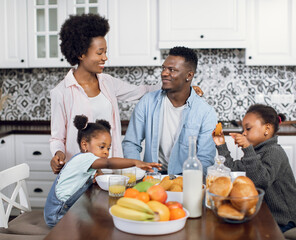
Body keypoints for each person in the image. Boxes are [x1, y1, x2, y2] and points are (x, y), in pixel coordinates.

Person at [50, 14, 160, 174]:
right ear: (81, 54)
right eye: (100, 53)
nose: (105, 57)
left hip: (111, 172)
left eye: (105, 52)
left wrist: (184, 87)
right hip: (80, 175)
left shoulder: (108, 82)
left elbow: (142, 91)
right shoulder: (61, 92)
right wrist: (58, 154)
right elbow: (57, 138)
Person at [44, 115, 161, 227]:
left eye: (108, 148)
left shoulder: (85, 161)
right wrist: (135, 162)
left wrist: (96, 175)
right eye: (102, 147)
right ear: (85, 145)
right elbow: (108, 163)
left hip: (64, 209)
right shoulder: (84, 158)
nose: (106, 152)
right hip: (58, 214)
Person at [122, 46, 218, 176]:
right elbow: (131, 143)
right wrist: (138, 173)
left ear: (189, 75)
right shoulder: (147, 102)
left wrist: (187, 183)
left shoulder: (205, 112)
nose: (164, 73)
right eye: (164, 68)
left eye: (171, 70)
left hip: (186, 180)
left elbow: (205, 159)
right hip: (151, 178)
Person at [212, 104, 296, 233]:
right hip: (264, 215)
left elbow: (260, 181)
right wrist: (221, 145)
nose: (244, 133)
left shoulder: (275, 152)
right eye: (243, 129)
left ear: (267, 128)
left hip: (285, 219)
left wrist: (247, 149)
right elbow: (233, 172)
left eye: (248, 128)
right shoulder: (255, 153)